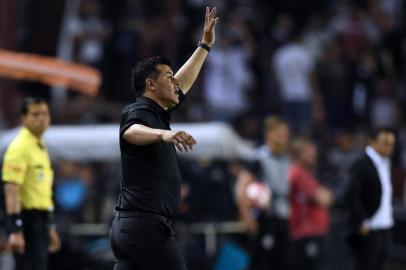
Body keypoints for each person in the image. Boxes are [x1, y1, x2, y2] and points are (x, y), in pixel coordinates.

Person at [109, 7, 218, 270]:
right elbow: (130, 133)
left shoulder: (156, 111)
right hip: (146, 226)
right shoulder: (138, 112)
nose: (175, 83)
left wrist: (204, 45)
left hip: (131, 227)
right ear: (151, 85)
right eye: (169, 77)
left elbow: (183, 82)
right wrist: (164, 134)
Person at [2, 97, 61, 270]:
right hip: (26, 219)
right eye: (35, 114)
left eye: (45, 113)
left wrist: (50, 225)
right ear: (23, 118)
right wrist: (15, 229)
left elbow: (42, 191)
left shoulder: (39, 146)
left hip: (40, 219)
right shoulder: (19, 147)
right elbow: (11, 189)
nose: (41, 118)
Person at [235, 115, 291, 270]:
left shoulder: (287, 158)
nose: (285, 137)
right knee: (263, 263)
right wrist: (246, 216)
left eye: (286, 134)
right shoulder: (259, 157)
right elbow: (242, 187)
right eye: (281, 133)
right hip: (265, 217)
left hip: (284, 216)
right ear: (270, 134)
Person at [346, 127, 396, 270]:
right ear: (372, 142)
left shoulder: (386, 163)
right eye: (385, 143)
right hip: (369, 228)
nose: (389, 148)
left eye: (392, 144)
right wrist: (362, 221)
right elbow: (350, 193)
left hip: (384, 226)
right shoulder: (362, 163)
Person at [288, 137, 333, 270]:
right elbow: (324, 198)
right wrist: (325, 194)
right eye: (309, 151)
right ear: (298, 154)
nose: (314, 154)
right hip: (305, 234)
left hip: (311, 234)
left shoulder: (307, 174)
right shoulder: (298, 173)